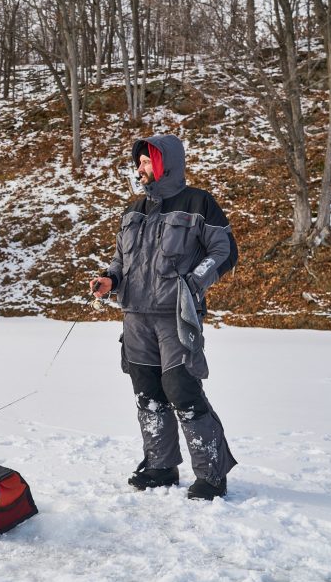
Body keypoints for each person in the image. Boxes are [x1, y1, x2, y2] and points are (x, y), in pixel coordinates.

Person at [90, 134, 238, 500]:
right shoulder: (132, 211)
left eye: (145, 161)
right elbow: (120, 260)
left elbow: (224, 250)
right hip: (135, 318)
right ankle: (160, 466)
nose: (139, 168)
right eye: (138, 162)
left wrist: (194, 281)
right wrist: (110, 279)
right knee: (148, 393)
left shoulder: (198, 202)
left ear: (165, 163)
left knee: (183, 391)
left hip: (176, 316)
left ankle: (211, 474)